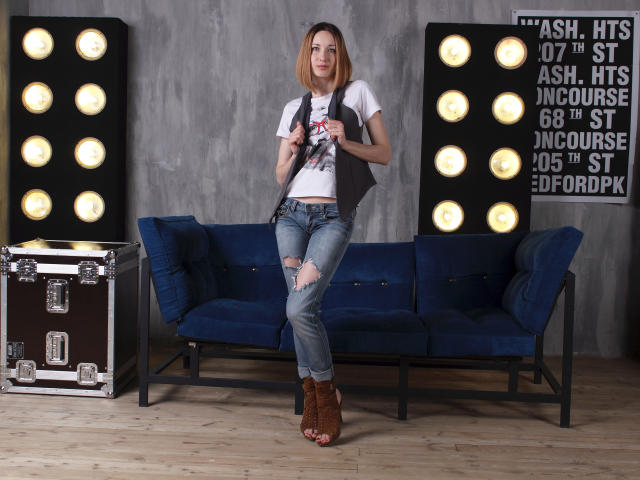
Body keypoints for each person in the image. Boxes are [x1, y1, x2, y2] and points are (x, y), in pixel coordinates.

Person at [272, 22, 391, 446]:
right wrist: (294, 147)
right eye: (316, 49)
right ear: (307, 56)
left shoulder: (358, 93)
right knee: (302, 310)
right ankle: (315, 396)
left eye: (332, 49)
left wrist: (346, 140)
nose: (323, 57)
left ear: (341, 55)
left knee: (299, 308)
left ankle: (325, 392)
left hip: (332, 216)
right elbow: (280, 176)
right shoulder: (294, 108)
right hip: (290, 216)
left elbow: (384, 153)